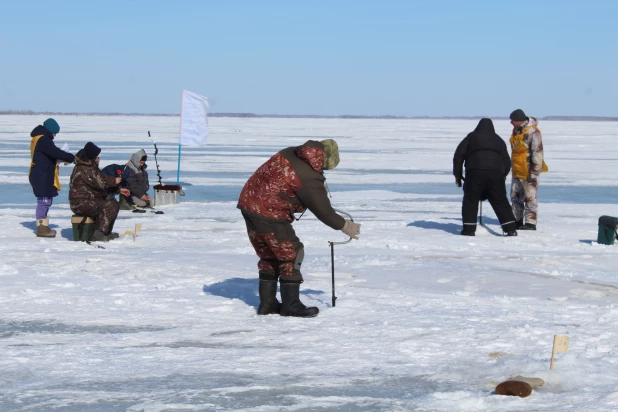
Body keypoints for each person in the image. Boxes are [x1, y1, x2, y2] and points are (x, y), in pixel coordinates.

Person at [238, 139, 360, 318]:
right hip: (270, 212)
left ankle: (268, 304)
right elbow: (324, 212)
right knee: (292, 254)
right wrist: (346, 226)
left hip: (249, 203)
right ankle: (291, 306)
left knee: (269, 254)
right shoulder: (309, 177)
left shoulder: (293, 152)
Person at [453, 118, 517, 236]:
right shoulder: (499, 140)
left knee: (470, 200)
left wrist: (458, 176)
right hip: (495, 174)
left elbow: (458, 157)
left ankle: (469, 230)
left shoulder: (471, 137)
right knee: (500, 201)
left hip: (474, 172)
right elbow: (507, 161)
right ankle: (510, 229)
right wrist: (502, 176)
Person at [69, 142, 130, 242]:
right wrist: (115, 181)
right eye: (97, 157)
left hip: (87, 200)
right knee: (110, 205)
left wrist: (118, 190)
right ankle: (99, 233)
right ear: (92, 157)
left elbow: (98, 188)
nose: (99, 160)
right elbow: (101, 183)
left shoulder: (89, 167)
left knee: (112, 203)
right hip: (80, 203)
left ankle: (105, 232)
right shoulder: (85, 168)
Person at [28, 118, 75, 238]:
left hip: (43, 174)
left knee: (46, 200)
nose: (54, 136)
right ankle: (42, 229)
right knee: (44, 201)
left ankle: (43, 226)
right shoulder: (43, 139)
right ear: (50, 130)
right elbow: (55, 152)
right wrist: (71, 158)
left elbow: (51, 154)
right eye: (54, 133)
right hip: (41, 175)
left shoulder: (41, 138)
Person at [508, 109, 548, 230]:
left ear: (519, 121)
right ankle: (517, 220)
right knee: (515, 197)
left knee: (530, 197)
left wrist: (534, 171)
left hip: (528, 170)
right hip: (517, 170)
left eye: (513, 121)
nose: (511, 123)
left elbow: (537, 152)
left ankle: (530, 222)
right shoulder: (516, 130)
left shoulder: (533, 132)